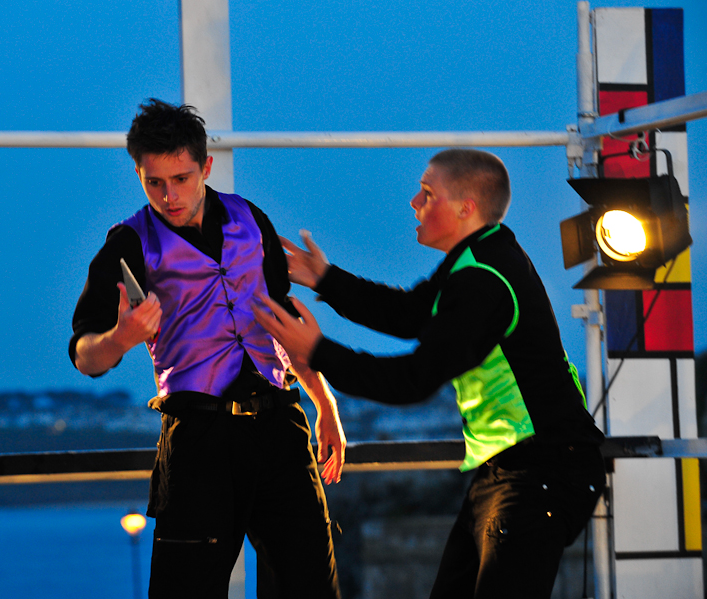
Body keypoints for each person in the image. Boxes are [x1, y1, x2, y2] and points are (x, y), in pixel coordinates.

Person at [253, 148, 605, 599]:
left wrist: (318, 352)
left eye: (426, 194)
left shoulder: (485, 278)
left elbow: (414, 378)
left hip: (543, 470)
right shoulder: (476, 256)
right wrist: (326, 279)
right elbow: (410, 313)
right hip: (508, 468)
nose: (414, 203)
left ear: (465, 208)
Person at [69, 98, 344, 599]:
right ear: (138, 175)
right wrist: (121, 338)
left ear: (206, 167)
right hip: (199, 441)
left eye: (181, 179)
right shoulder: (128, 242)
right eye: (154, 182)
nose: (169, 196)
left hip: (281, 428)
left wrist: (324, 403)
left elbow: (286, 322)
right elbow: (85, 355)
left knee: (311, 587)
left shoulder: (250, 218)